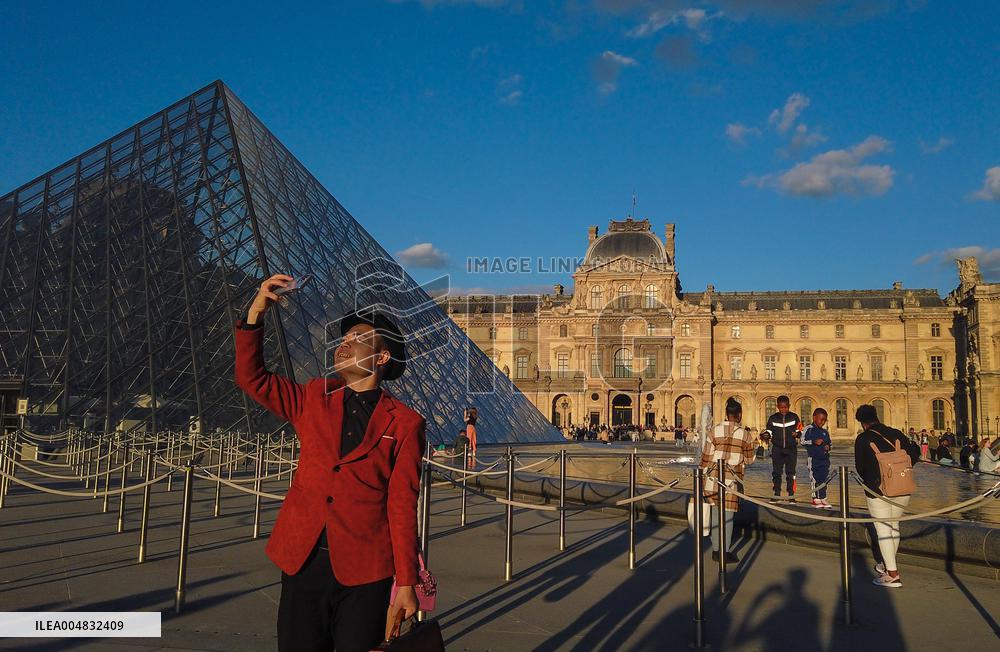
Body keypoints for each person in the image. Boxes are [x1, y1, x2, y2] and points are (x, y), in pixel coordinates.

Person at [235, 274, 425, 651]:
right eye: (344, 338)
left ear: (382, 357)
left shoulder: (405, 422)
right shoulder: (314, 397)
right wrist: (256, 311)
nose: (345, 344)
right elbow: (251, 378)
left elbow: (402, 504)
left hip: (366, 571)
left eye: (358, 339)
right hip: (302, 561)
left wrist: (406, 581)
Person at [854, 404, 920, 588]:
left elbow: (860, 468)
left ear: (862, 422)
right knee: (894, 525)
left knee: (883, 530)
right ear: (876, 416)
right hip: (903, 486)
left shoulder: (863, 438)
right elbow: (913, 457)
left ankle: (892, 574)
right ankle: (886, 565)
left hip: (878, 490)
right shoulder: (897, 433)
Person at [700, 397, 756, 564]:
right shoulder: (745, 435)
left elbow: (705, 458)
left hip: (712, 479)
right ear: (739, 415)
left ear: (726, 414)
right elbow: (750, 459)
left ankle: (716, 549)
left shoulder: (713, 431)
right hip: (731, 481)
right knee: (728, 517)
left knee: (716, 514)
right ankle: (725, 551)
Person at [763, 395, 801, 501]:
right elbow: (769, 431)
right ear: (777, 406)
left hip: (791, 448)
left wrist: (797, 434)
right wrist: (766, 435)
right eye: (781, 407)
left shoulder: (794, 417)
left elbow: (800, 430)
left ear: (789, 406)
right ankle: (776, 493)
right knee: (776, 472)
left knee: (791, 472)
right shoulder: (773, 418)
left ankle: (791, 495)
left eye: (785, 407)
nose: (783, 410)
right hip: (777, 448)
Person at [802, 408, 833, 509]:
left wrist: (828, 446)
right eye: (821, 419)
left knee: (824, 479)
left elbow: (829, 443)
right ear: (814, 418)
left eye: (824, 420)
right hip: (813, 459)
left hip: (824, 459)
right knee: (814, 479)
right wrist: (813, 442)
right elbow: (802, 441)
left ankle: (823, 497)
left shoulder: (825, 432)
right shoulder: (809, 429)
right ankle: (815, 498)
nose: (823, 422)